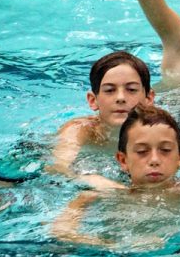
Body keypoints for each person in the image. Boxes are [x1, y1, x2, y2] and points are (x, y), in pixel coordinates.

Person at [51, 106, 180, 246]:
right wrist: (115, 248)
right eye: (141, 151)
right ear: (123, 160)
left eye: (165, 150)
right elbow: (60, 231)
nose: (154, 159)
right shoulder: (99, 193)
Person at [49, 52, 156, 181]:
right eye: (110, 90)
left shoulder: (162, 129)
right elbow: (57, 169)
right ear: (93, 101)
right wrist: (88, 180)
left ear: (149, 98)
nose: (120, 98)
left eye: (131, 89)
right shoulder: (80, 130)